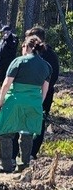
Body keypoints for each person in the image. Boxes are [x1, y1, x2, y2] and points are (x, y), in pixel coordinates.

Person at [0, 35, 51, 173]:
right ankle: (23, 165)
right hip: (34, 103)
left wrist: (1, 101)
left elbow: (6, 83)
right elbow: (44, 90)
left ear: (27, 47)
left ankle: (5, 165)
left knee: (5, 132)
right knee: (27, 133)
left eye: (23, 46)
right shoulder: (46, 66)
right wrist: (37, 104)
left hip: (15, 100)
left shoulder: (19, 61)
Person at [26, 26, 60, 160]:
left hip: (42, 95)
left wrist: (42, 91)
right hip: (30, 93)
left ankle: (32, 152)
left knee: (39, 122)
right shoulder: (31, 53)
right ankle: (23, 152)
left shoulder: (48, 54)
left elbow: (53, 75)